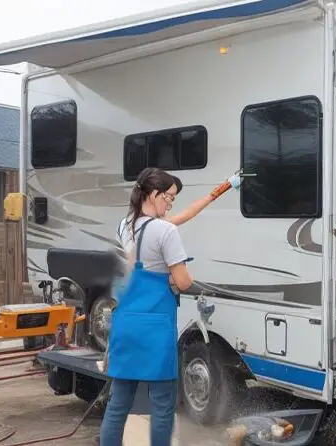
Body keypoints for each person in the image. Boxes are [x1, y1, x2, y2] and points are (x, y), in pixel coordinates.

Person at [99, 167, 241, 446]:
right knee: (163, 405)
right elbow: (183, 281)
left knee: (118, 404)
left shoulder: (125, 225)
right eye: (169, 197)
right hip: (155, 328)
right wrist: (176, 280)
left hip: (126, 325)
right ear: (154, 194)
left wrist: (216, 193)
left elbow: (182, 218)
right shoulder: (165, 232)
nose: (171, 203)